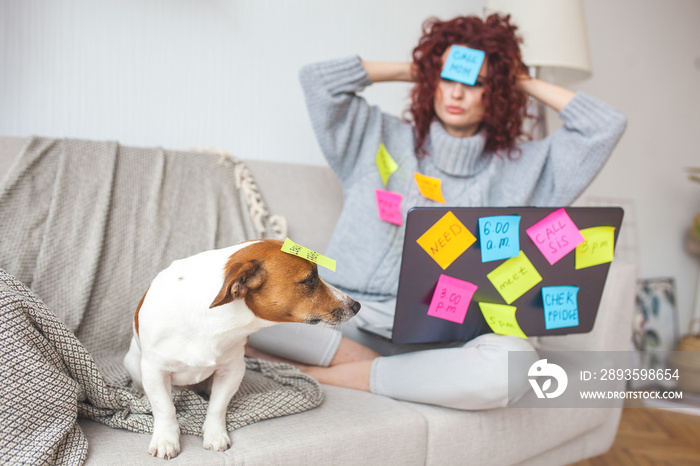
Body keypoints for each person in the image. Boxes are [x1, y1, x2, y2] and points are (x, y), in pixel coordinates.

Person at [247, 13, 626, 410]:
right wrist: (421, 68)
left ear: (495, 92)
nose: (456, 94)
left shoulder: (529, 170)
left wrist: (515, 77)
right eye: (447, 79)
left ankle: (329, 377)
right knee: (246, 310)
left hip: (448, 337)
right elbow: (318, 80)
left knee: (515, 366)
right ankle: (395, 374)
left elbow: (605, 126)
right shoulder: (376, 136)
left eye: (475, 83)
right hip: (347, 317)